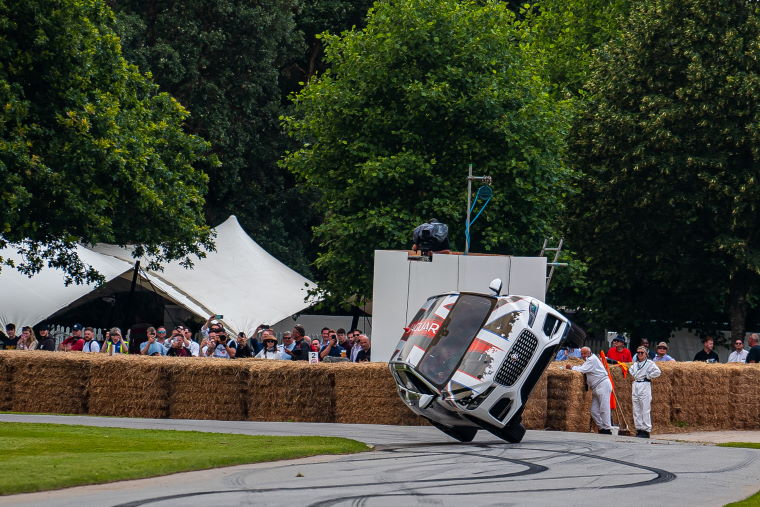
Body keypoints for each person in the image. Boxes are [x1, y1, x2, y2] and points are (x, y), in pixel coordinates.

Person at [565, 347, 613, 434]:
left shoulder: (592, 360)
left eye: (584, 353)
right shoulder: (589, 360)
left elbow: (581, 369)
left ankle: (607, 428)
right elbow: (583, 367)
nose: (583, 355)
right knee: (594, 410)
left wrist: (571, 367)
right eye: (582, 354)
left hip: (602, 384)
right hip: (596, 387)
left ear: (589, 352)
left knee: (604, 407)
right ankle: (601, 427)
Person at [629, 346, 661, 438]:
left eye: (641, 353)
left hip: (644, 384)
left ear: (646, 354)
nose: (639, 354)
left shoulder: (650, 363)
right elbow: (630, 370)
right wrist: (634, 375)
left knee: (645, 409)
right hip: (636, 384)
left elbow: (657, 372)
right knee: (636, 408)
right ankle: (638, 429)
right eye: (638, 352)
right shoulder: (635, 364)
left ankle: (646, 430)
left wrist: (648, 376)